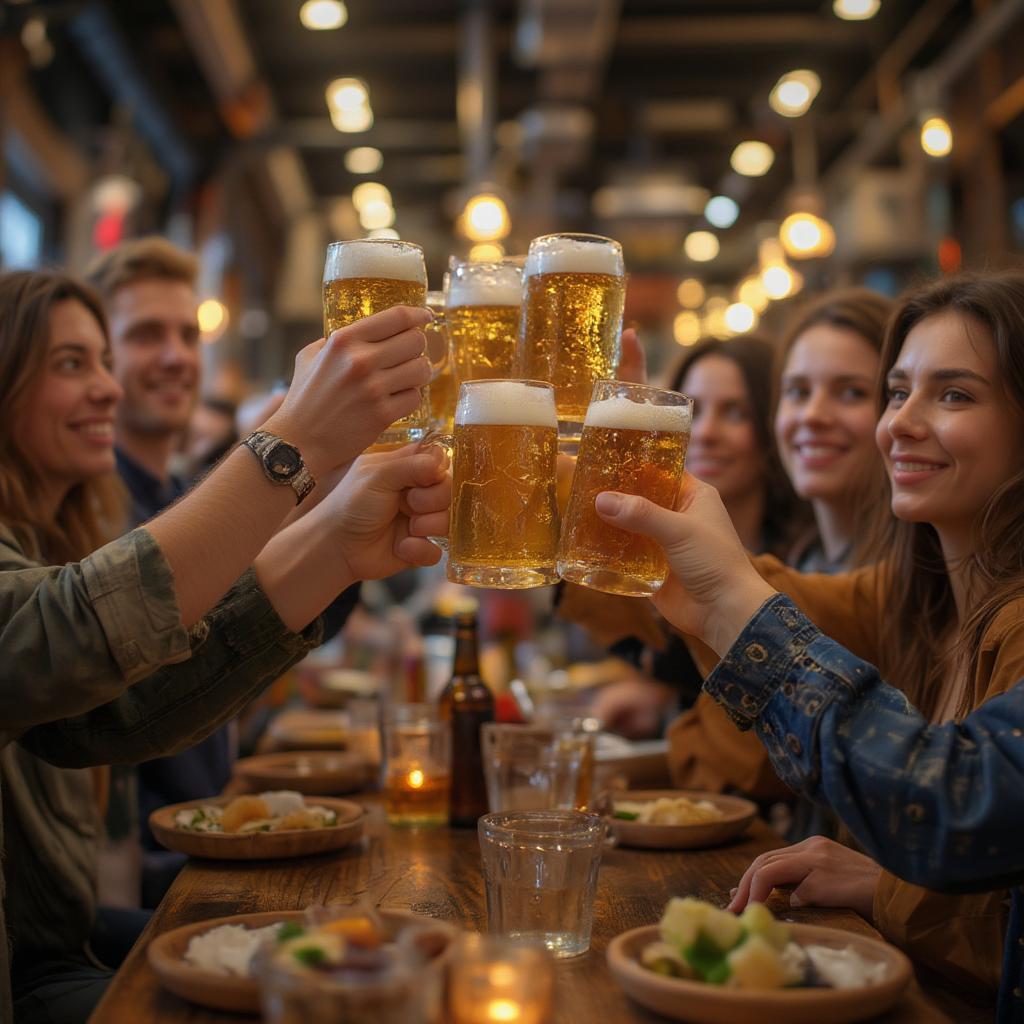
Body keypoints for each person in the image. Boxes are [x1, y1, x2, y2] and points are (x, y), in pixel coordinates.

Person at [0, 268, 448, 1021]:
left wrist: (337, 546)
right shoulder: (77, 553)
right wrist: (290, 444)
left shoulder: (54, 535)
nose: (109, 389)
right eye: (72, 363)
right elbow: (60, 634)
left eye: (104, 359)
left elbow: (110, 708)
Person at [601, 271, 1024, 1001]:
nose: (899, 424)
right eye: (898, 392)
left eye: (953, 394)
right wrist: (609, 476)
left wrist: (885, 890)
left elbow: (956, 813)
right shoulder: (912, 597)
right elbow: (777, 598)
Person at [579, 335, 808, 740]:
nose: (705, 432)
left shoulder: (801, 563)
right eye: (694, 410)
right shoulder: (658, 550)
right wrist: (661, 698)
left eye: (735, 413)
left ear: (770, 427)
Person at [774, 288, 893, 571]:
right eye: (798, 391)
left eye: (852, 392)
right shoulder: (802, 561)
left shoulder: (924, 585)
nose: (813, 415)